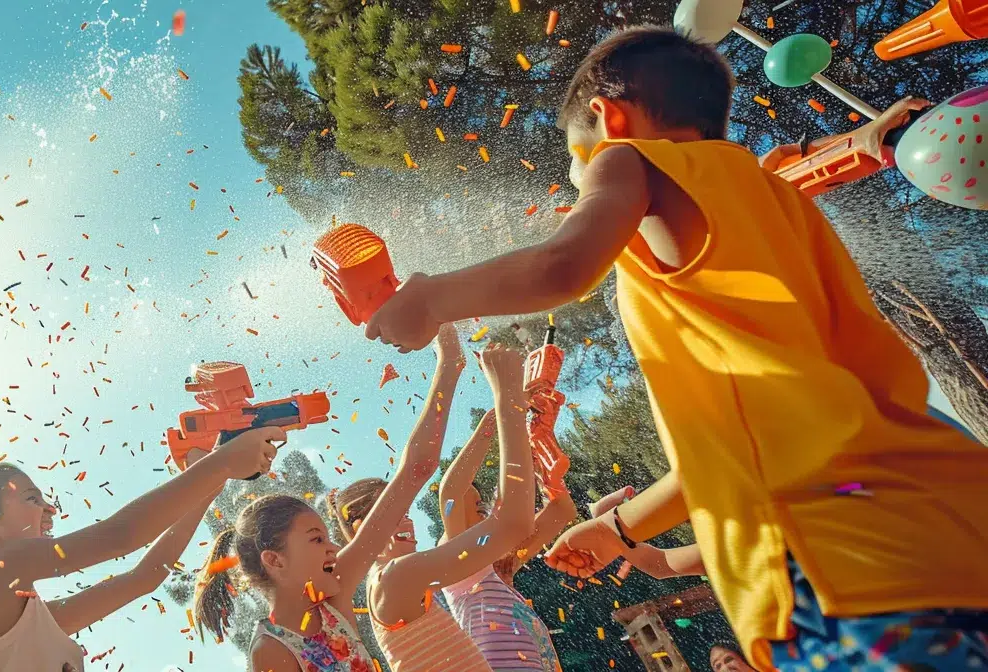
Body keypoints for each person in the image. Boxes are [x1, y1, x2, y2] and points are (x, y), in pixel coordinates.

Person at [362, 25, 988, 671]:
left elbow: (561, 266)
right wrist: (619, 528)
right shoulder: (771, 201)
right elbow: (738, 451)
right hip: (951, 521)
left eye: (577, 161)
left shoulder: (629, 159)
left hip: (841, 560)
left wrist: (430, 300)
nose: (583, 180)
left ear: (609, 119)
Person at [0, 427, 281, 672]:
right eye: (33, 499)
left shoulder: (30, 621)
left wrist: (214, 478)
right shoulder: (5, 567)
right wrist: (220, 463)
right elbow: (122, 535)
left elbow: (144, 578)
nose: (49, 509)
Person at [323, 340, 536, 672]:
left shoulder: (395, 580)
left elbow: (421, 467)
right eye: (391, 512)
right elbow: (512, 523)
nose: (406, 519)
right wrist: (508, 399)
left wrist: (452, 365)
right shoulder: (395, 579)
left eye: (403, 510)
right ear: (360, 526)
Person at [429, 409, 571, 670]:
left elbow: (561, 511)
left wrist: (539, 446)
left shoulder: (500, 565)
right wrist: (491, 426)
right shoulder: (458, 563)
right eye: (474, 506)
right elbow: (451, 493)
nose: (483, 510)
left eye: (480, 505)